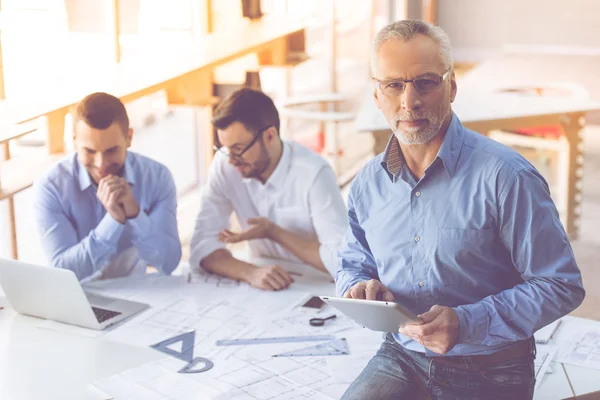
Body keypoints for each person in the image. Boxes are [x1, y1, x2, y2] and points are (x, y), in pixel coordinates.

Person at [337, 20, 585, 399]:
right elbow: (352, 263)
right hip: (403, 355)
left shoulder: (507, 176)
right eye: (394, 85)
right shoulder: (369, 183)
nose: (409, 101)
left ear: (451, 87)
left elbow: (560, 285)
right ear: (376, 94)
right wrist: (357, 287)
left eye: (425, 82)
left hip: (492, 367)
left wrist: (468, 322)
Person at [189, 88, 348, 291]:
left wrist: (274, 233)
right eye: (225, 149)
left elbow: (342, 261)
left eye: (238, 149)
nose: (231, 160)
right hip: (260, 281)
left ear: (270, 136)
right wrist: (249, 272)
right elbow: (201, 245)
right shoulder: (226, 164)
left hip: (317, 283)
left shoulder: (314, 173)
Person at [34, 92, 181, 282]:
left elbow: (168, 263)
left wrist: (135, 215)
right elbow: (63, 272)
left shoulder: (157, 177)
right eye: (89, 151)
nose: (101, 164)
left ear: (129, 137)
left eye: (111, 150)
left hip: (137, 290)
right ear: (75, 141)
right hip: (78, 295)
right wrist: (113, 221)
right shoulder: (51, 187)